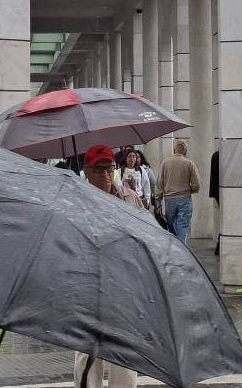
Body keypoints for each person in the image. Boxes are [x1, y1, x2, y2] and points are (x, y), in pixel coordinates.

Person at [76, 145, 142, 388]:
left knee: (124, 355)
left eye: (110, 168)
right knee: (87, 355)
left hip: (124, 285)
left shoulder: (130, 198)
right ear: (87, 171)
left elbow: (147, 236)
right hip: (89, 286)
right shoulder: (76, 201)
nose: (106, 175)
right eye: (100, 169)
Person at [158, 140, 200, 243]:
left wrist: (158, 201)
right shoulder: (189, 163)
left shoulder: (165, 162)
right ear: (185, 150)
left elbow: (160, 183)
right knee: (182, 226)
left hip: (169, 200)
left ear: (174, 149)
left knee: (171, 227)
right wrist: (189, 189)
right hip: (185, 199)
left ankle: (174, 249)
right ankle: (182, 249)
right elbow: (196, 185)